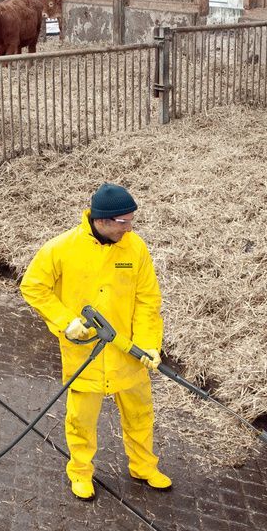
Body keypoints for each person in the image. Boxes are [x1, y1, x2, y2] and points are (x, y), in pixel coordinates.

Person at [20, 182, 171, 501]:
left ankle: (143, 466)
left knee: (140, 414)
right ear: (102, 220)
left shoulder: (135, 248)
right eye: (124, 222)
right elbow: (33, 286)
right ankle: (81, 472)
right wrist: (65, 323)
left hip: (129, 353)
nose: (130, 228)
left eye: (131, 221)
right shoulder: (61, 249)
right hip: (85, 354)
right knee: (81, 420)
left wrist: (148, 343)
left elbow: (148, 299)